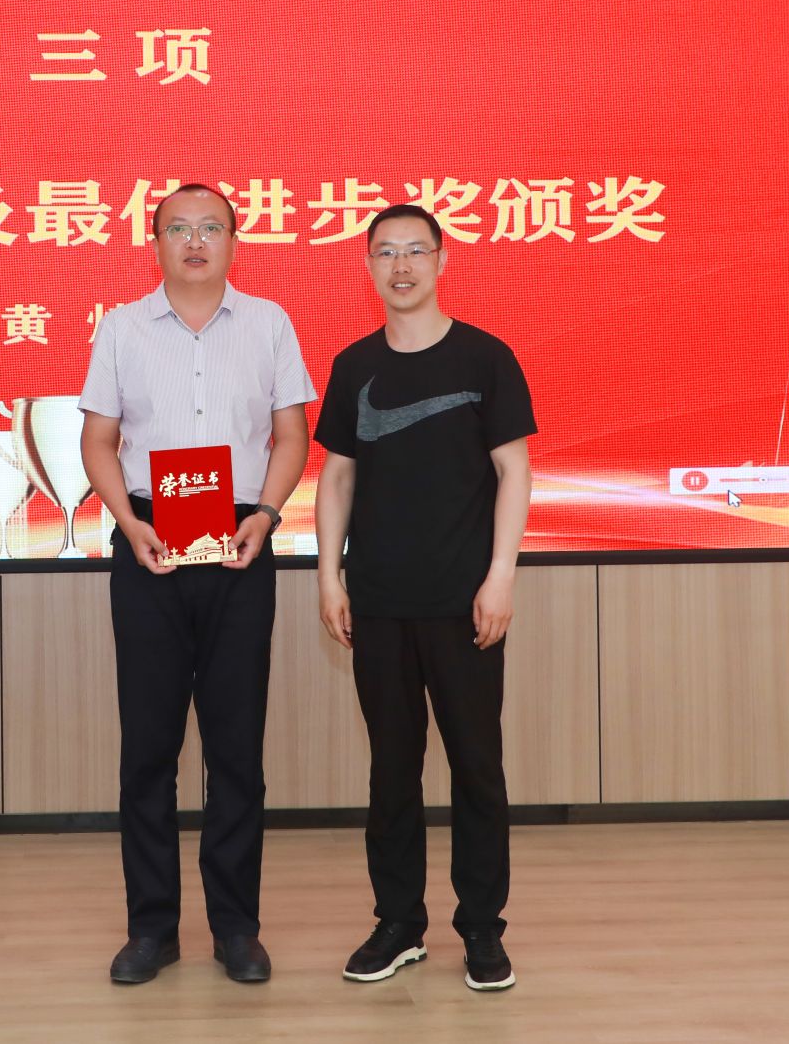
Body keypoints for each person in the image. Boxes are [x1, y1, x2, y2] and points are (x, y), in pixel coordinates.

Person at [78, 182, 314, 985]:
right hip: (150, 539)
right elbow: (100, 440)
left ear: (234, 241)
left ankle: (236, 927)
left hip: (242, 539)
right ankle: (152, 928)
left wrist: (268, 515)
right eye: (177, 228)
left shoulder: (269, 322)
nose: (194, 241)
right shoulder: (122, 327)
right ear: (154, 243)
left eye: (211, 227)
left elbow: (291, 433)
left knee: (235, 747)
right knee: (148, 747)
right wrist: (127, 520)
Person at [313, 203, 535, 992]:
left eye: (415, 250)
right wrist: (328, 574)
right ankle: (399, 923)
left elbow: (514, 470)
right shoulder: (353, 366)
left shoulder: (485, 357)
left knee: (477, 766)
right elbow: (337, 476)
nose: (400, 265)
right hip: (378, 601)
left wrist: (501, 575)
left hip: (465, 603)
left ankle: (482, 929)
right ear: (368, 265)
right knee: (392, 771)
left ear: (442, 260)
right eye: (385, 252)